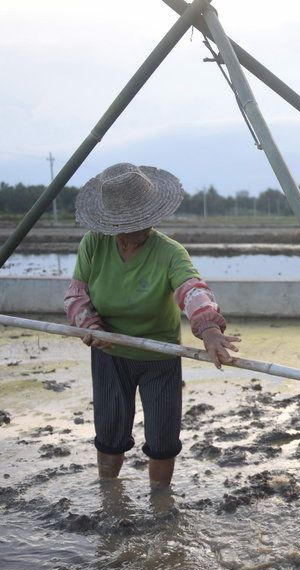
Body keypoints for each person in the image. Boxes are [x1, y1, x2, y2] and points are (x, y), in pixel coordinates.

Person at [64, 163, 240, 489]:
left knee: (162, 439)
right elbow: (77, 295)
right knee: (110, 434)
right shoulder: (94, 244)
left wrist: (210, 329)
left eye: (142, 221)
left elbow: (192, 290)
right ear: (110, 221)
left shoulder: (169, 252)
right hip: (110, 352)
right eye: (126, 223)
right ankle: (109, 495)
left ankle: (161, 503)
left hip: (159, 356)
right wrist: (90, 325)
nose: (136, 230)